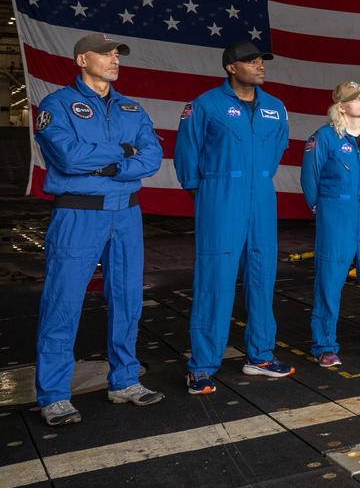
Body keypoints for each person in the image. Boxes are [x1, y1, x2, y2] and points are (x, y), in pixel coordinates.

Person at [32, 33, 165, 425]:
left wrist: (109, 165)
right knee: (63, 302)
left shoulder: (131, 108)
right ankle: (54, 394)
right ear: (80, 60)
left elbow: (153, 157)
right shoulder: (57, 105)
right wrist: (124, 152)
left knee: (127, 299)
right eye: (105, 54)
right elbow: (69, 157)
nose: (114, 59)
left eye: (117, 54)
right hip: (78, 215)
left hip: (126, 214)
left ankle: (124, 380)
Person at [174, 41, 293, 394]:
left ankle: (260, 355)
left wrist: (256, 179)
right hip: (220, 197)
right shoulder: (205, 105)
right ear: (231, 67)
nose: (259, 66)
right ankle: (202, 366)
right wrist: (209, 192)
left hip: (262, 197)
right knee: (215, 281)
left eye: (261, 61)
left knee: (262, 275)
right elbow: (187, 154)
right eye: (251, 61)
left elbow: (278, 148)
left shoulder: (275, 108)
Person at [301, 82, 360, 367]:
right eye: (355, 98)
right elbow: (310, 179)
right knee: (329, 282)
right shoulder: (323, 138)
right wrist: (322, 209)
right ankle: (324, 345)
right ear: (341, 106)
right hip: (336, 213)